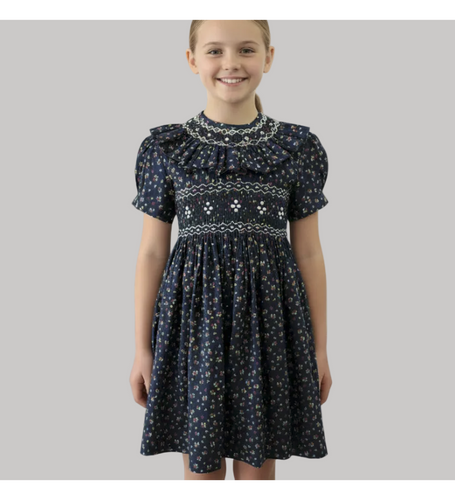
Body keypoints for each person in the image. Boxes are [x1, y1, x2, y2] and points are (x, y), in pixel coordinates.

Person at [129, 17, 332, 484]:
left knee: (258, 471)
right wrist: (142, 348)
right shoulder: (166, 148)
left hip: (270, 328)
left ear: (268, 57)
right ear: (192, 60)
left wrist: (319, 349)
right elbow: (151, 254)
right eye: (215, 51)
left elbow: (309, 255)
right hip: (193, 328)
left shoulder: (296, 148)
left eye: (246, 49)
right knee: (200, 470)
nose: (231, 63)